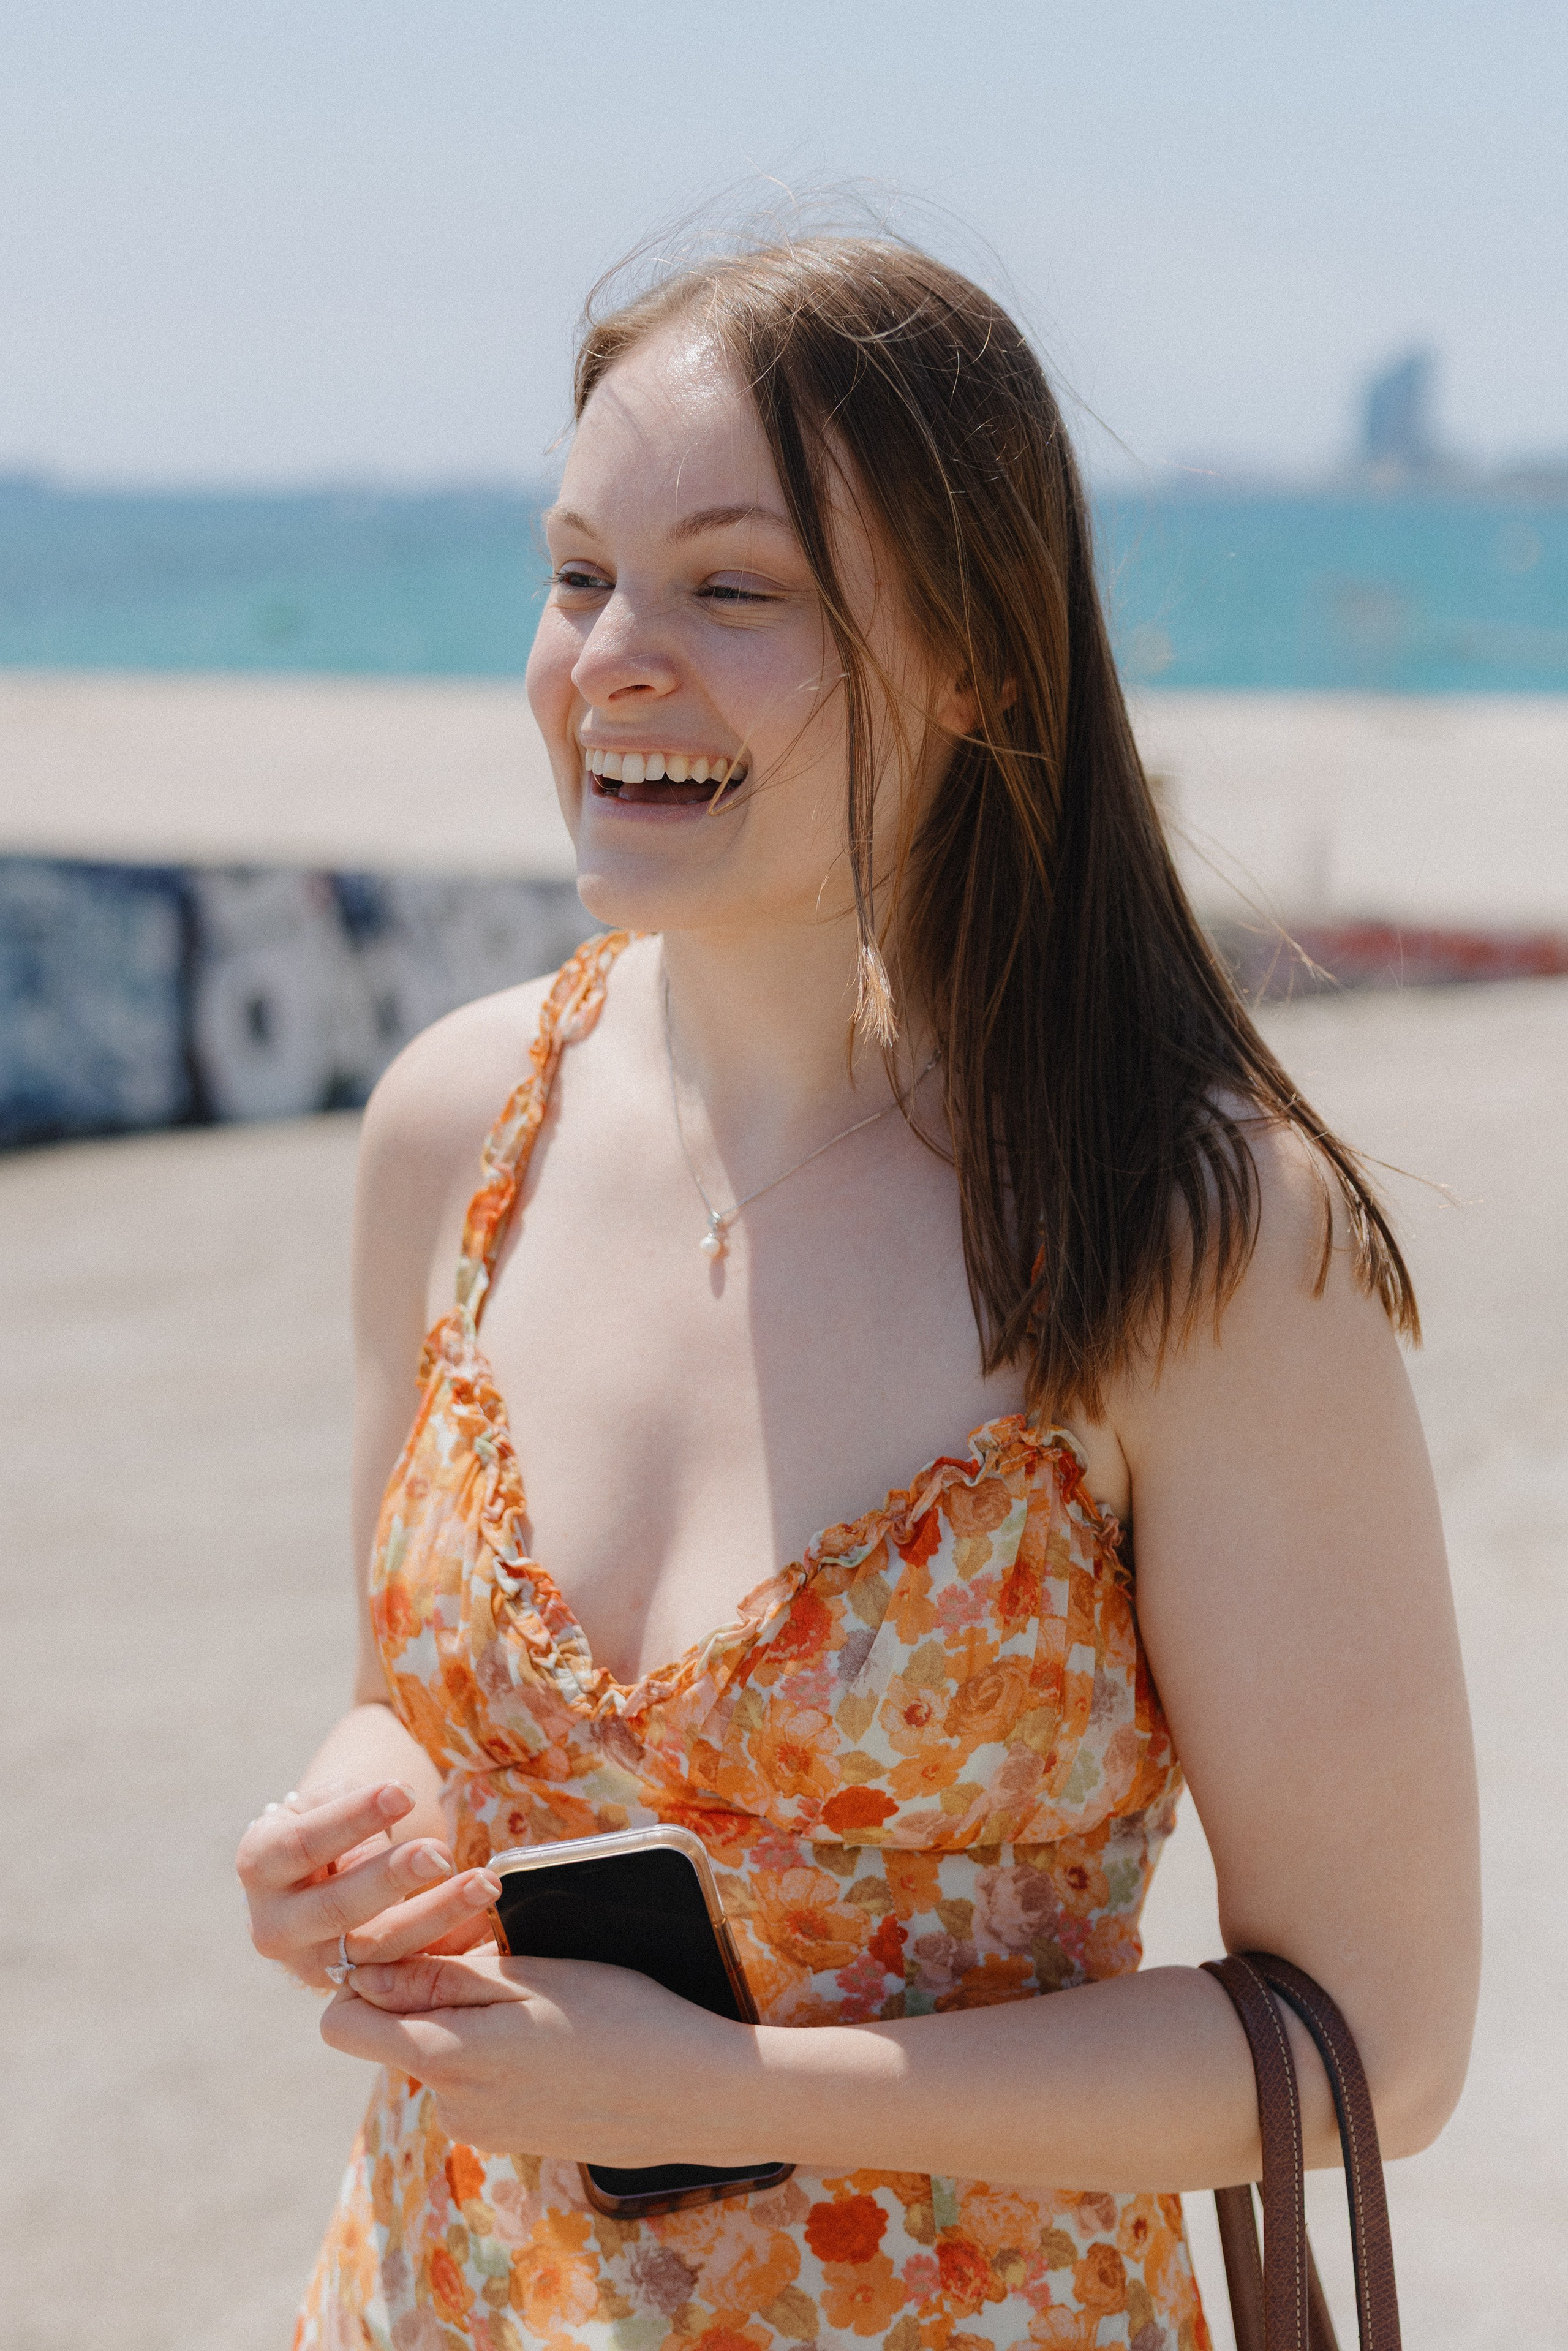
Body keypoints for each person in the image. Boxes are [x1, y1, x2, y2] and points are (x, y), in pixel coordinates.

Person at [239, 235, 1480, 2351]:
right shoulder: (457, 1130)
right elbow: (404, 1693)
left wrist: (721, 2091)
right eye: (575, 577)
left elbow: (1376, 2040)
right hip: (433, 2300)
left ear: (984, 657)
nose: (615, 658)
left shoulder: (1189, 1233)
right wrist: (356, 1831)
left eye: (736, 588)